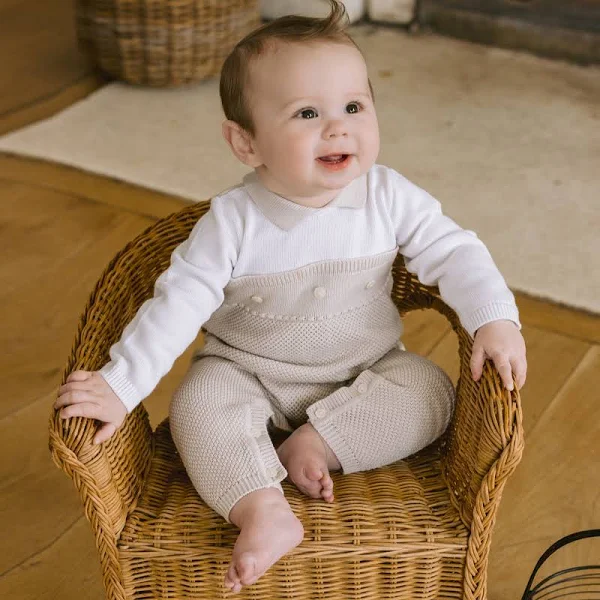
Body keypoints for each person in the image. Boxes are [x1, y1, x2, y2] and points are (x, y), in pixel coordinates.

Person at [55, 0, 527, 594]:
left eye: (354, 107)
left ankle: (321, 444)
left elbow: (455, 251)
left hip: (366, 370)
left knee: (430, 390)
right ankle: (261, 506)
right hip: (247, 373)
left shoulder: (387, 196)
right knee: (197, 405)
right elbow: (176, 304)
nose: (338, 128)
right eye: (307, 112)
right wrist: (122, 384)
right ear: (246, 142)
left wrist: (493, 317)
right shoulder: (233, 221)